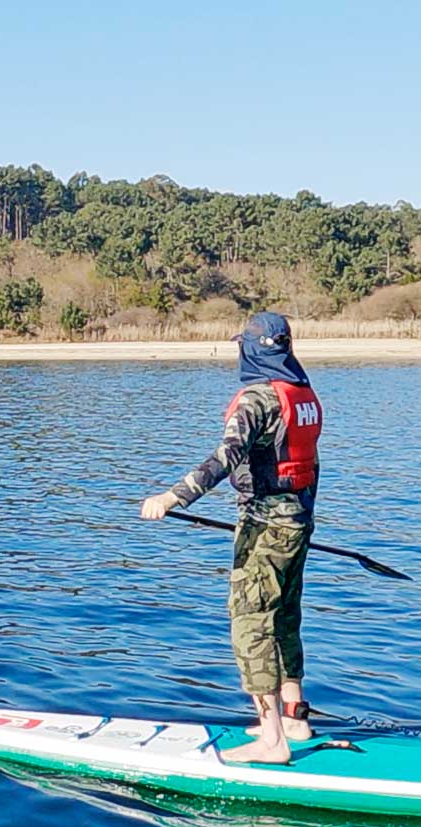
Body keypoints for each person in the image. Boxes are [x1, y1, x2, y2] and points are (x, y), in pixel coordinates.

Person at [140, 311, 321, 764]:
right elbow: (310, 467)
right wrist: (300, 519)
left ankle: (272, 738)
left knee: (251, 621)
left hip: (265, 528)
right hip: (297, 521)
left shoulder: (257, 400)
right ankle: (295, 717)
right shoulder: (302, 394)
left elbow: (225, 458)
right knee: (284, 617)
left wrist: (172, 497)